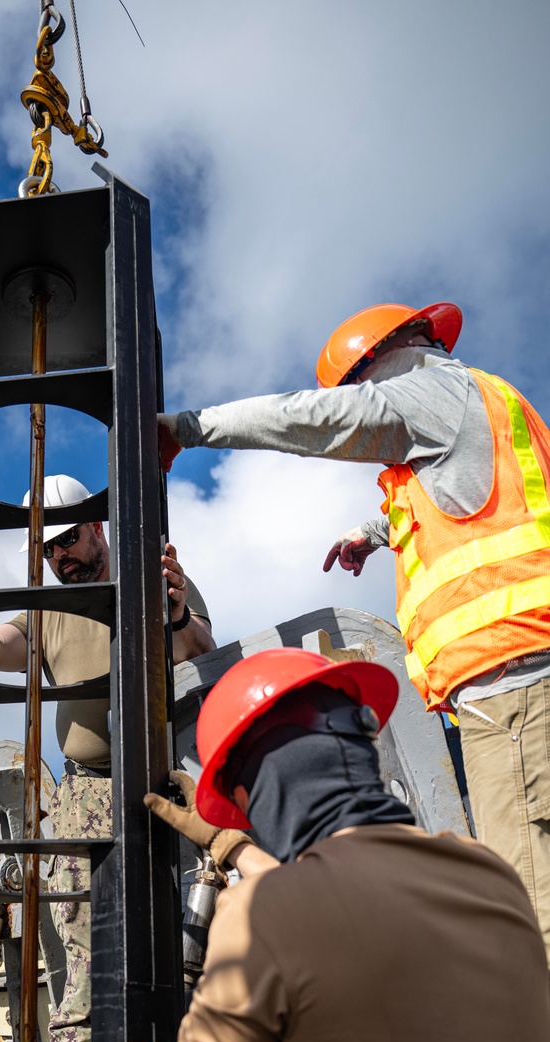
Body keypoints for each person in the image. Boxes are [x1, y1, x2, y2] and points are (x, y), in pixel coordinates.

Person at [79, 647, 550, 1042]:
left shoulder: (261, 916)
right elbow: (355, 901)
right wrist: (232, 847)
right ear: (360, 746)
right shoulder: (485, 874)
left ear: (252, 794)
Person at [159, 301, 550, 961]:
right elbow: (467, 504)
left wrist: (187, 429)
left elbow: (319, 419)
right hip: (522, 677)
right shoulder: (488, 401)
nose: (371, 404)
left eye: (365, 392)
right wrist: (372, 533)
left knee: (530, 916)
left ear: (381, 364)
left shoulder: (430, 394)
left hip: (511, 686)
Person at [0, 474, 215, 1042]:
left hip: (166, 780)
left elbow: (202, 656)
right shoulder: (45, 613)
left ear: (99, 529)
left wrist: (175, 618)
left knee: (191, 930)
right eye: (48, 549)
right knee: (80, 932)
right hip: (86, 791)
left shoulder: (158, 577)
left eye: (69, 540)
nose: (61, 557)